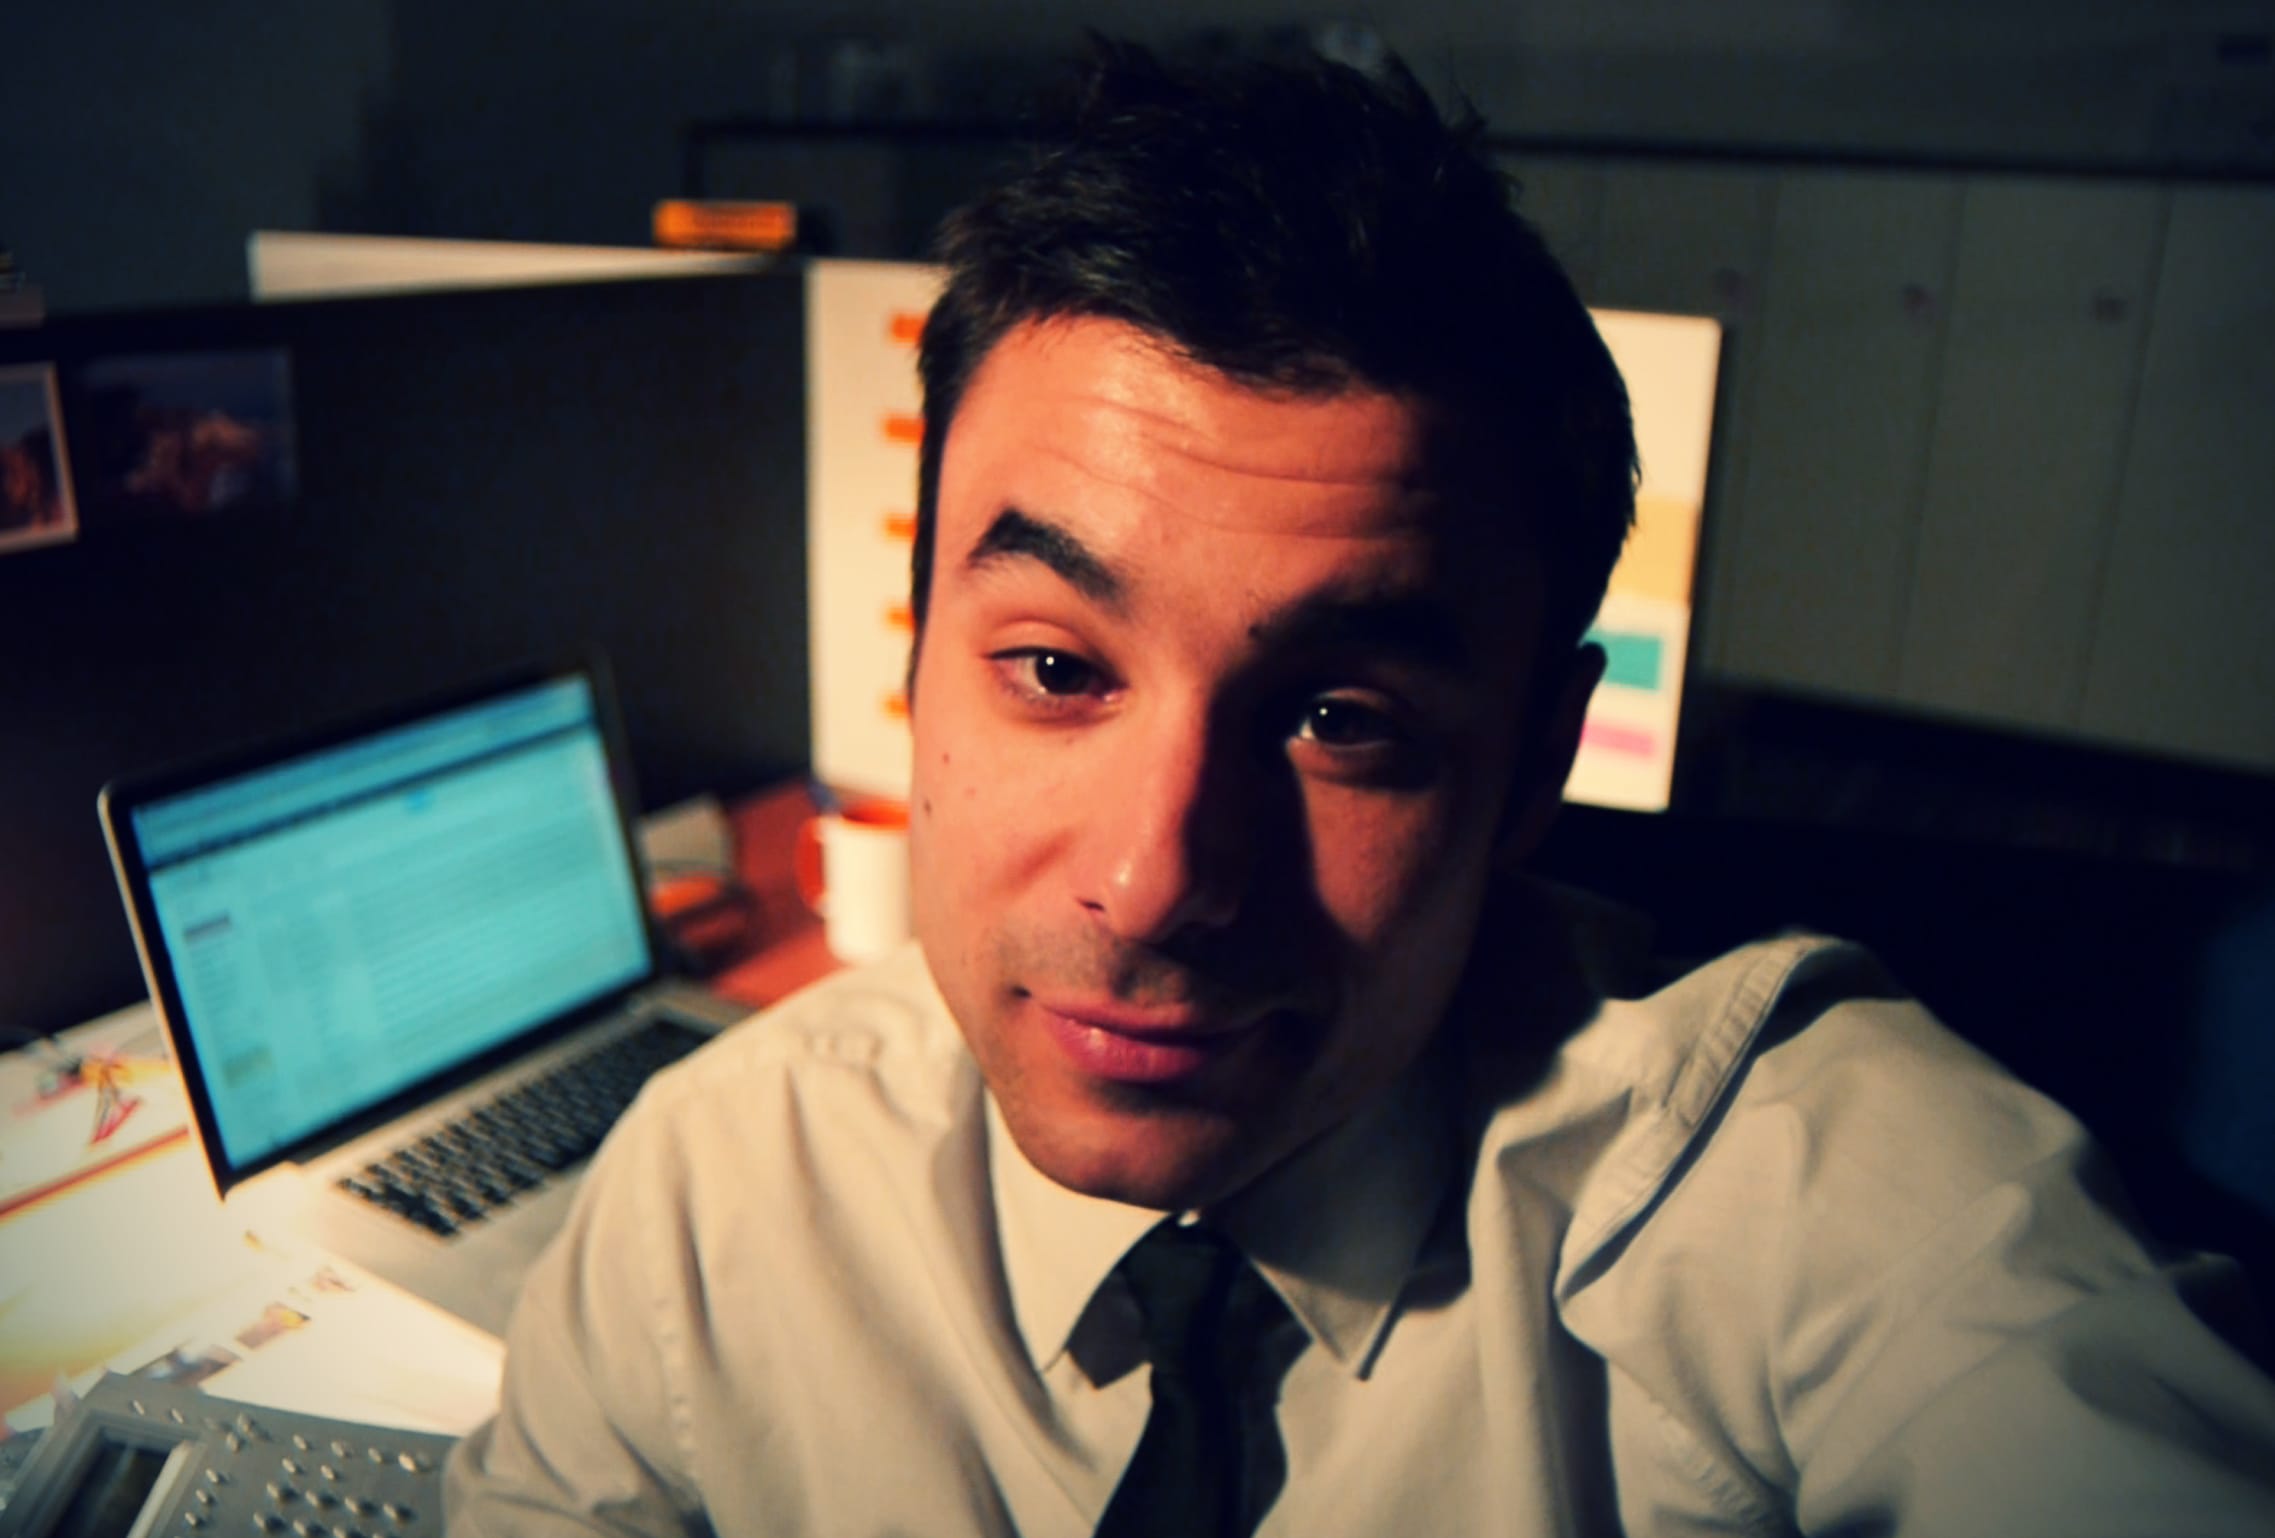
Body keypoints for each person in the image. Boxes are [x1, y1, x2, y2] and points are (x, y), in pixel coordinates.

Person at [446, 38, 2275, 1535]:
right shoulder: (716, 1197)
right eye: (1059, 670)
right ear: (919, 661)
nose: (1158, 880)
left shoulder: (1808, 1205)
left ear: (1536, 766)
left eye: (1340, 720)